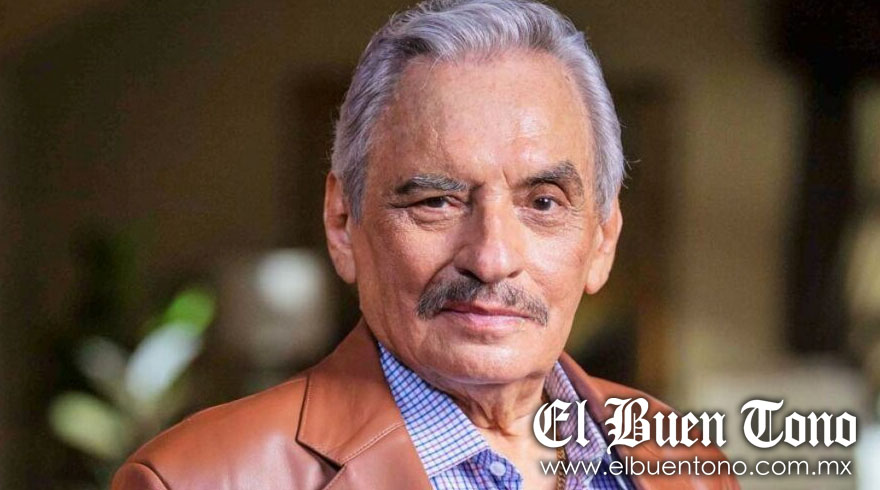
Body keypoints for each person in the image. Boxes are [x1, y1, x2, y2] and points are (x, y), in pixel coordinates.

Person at [112, 1, 737, 489]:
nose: (491, 259)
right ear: (342, 222)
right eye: (436, 201)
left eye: (543, 203)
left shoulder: (684, 457)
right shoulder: (194, 480)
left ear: (602, 240)